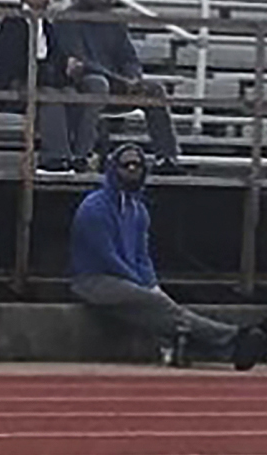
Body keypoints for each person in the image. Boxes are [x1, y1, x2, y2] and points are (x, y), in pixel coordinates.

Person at [69, 139, 262, 368]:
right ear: (113, 168)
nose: (132, 169)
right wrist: (141, 284)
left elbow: (142, 255)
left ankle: (224, 351)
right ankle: (231, 337)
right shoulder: (94, 207)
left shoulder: (139, 210)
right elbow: (105, 256)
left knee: (159, 306)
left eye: (137, 165)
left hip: (127, 281)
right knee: (158, 305)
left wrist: (151, 283)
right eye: (126, 165)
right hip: (94, 280)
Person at [54, 0, 182, 169]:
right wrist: (120, 80)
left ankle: (167, 157)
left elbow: (128, 57)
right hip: (81, 81)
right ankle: (82, 155)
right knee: (98, 84)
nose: (103, 0)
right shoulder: (67, 20)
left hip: (118, 84)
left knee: (154, 91)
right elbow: (80, 59)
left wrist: (134, 78)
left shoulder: (115, 21)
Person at [0, 0, 81, 174]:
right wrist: (52, 70)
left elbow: (55, 60)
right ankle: (53, 159)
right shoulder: (14, 23)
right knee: (49, 96)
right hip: (8, 85)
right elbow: (14, 64)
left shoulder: (48, 27)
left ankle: (77, 155)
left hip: (38, 82)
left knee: (71, 94)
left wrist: (67, 67)